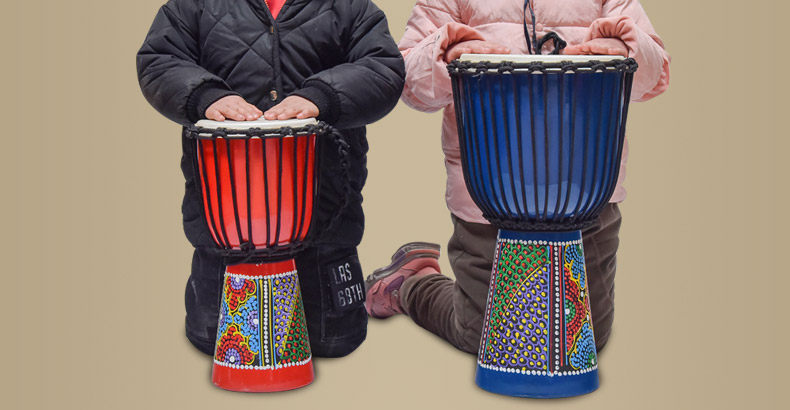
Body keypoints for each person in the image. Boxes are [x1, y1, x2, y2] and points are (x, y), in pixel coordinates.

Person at [365, 0, 670, 354]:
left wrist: (626, 48)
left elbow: (655, 75)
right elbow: (409, 85)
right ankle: (411, 284)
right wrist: (444, 53)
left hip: (587, 200)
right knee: (485, 338)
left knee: (583, 340)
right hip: (488, 202)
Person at [137, 0, 405, 358]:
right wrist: (206, 96)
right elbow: (159, 59)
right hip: (224, 224)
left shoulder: (349, 6)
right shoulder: (194, 5)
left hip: (326, 214)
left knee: (334, 340)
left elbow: (383, 67)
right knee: (213, 341)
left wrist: (320, 97)